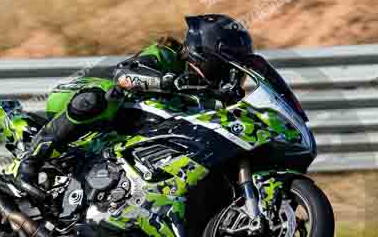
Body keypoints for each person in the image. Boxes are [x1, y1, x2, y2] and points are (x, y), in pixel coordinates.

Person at [17, 14, 254, 188]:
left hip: (135, 149)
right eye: (231, 58)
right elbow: (123, 76)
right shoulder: (167, 54)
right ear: (210, 49)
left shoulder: (212, 97)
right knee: (105, 94)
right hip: (105, 117)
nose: (233, 68)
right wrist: (168, 82)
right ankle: (32, 159)